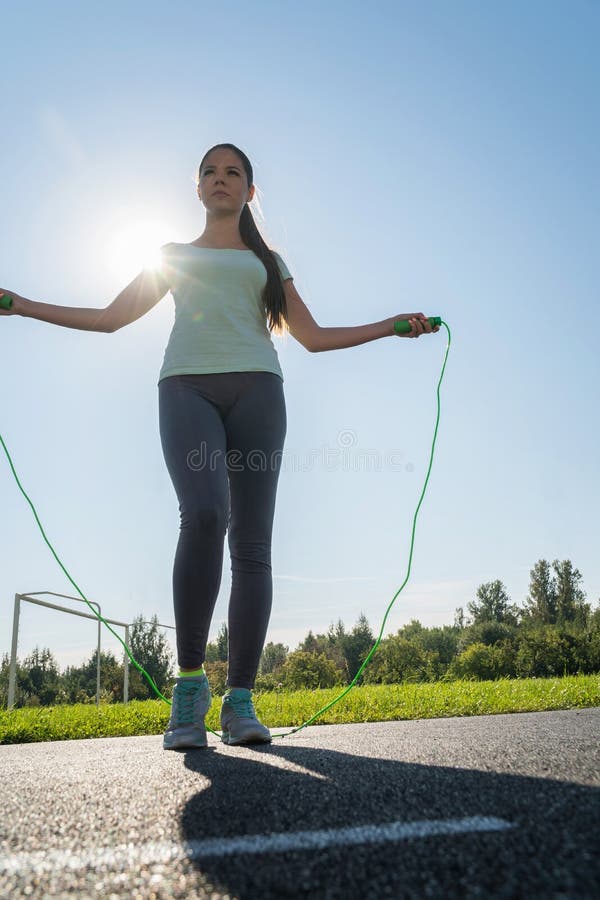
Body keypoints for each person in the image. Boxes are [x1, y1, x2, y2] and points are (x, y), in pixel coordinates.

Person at [0, 142, 439, 750]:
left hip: (260, 395)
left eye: (233, 172)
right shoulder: (172, 255)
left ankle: (240, 701)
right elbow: (109, 318)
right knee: (204, 514)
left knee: (252, 545)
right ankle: (189, 689)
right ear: (197, 188)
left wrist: (388, 326)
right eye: (210, 171)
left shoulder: (268, 260)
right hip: (185, 390)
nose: (220, 179)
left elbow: (310, 337)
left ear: (249, 190)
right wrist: (21, 306)